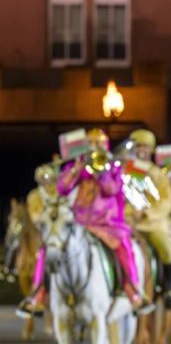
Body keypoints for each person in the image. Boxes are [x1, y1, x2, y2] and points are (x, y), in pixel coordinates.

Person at [56, 129, 152, 314]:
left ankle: (133, 291)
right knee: (50, 246)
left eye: (99, 144)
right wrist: (77, 168)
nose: (95, 148)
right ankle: (39, 293)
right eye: (92, 144)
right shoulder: (76, 165)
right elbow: (62, 188)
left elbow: (112, 189)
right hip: (80, 222)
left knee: (124, 247)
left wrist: (102, 172)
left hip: (108, 223)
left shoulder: (114, 166)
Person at [124, 129, 171, 309]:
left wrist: (147, 212)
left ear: (151, 149)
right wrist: (130, 211)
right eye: (138, 145)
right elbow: (121, 196)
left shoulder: (158, 173)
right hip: (130, 223)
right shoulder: (128, 170)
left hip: (153, 224)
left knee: (167, 250)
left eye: (145, 146)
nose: (141, 149)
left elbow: (166, 201)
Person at [16, 162, 60, 316]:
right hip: (42, 231)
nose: (45, 180)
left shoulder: (58, 193)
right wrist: (43, 217)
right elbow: (34, 215)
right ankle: (36, 294)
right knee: (23, 244)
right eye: (42, 178)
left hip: (59, 232)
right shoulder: (34, 195)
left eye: (48, 177)